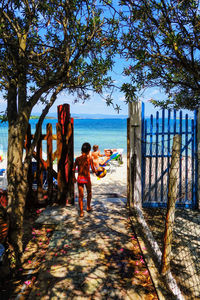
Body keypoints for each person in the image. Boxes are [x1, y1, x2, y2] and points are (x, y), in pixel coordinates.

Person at [73, 142, 96, 217]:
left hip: (80, 178)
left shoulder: (77, 159)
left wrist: (74, 177)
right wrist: (99, 172)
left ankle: (81, 212)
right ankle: (88, 207)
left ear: (81, 150)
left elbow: (73, 169)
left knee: (80, 195)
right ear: (89, 151)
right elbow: (93, 170)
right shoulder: (90, 159)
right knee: (89, 193)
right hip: (87, 178)